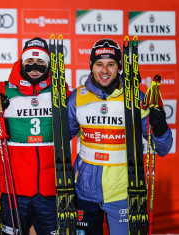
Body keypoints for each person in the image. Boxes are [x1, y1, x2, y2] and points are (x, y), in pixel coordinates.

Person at [66, 38, 173, 234]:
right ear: (91, 66)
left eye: (111, 64)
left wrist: (159, 127)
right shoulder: (77, 97)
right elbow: (60, 138)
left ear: (119, 67)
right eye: (99, 64)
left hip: (124, 192)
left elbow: (163, 148)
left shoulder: (136, 98)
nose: (104, 70)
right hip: (84, 192)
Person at [0, 37, 70, 235]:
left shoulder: (61, 91)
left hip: (50, 189)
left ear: (48, 65)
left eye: (40, 63)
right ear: (21, 63)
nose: (34, 67)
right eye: (29, 62)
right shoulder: (3, 91)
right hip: (14, 188)